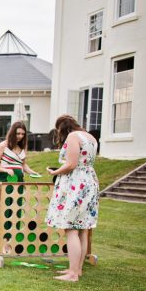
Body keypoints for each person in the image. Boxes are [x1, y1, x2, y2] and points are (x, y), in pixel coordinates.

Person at [45, 114, 100, 282]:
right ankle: (77, 269)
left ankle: (72, 273)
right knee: (82, 228)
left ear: (62, 128)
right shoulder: (90, 137)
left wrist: (54, 172)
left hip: (76, 185)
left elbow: (71, 164)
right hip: (90, 182)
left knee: (71, 228)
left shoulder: (72, 136)